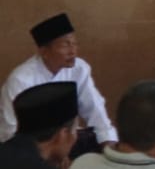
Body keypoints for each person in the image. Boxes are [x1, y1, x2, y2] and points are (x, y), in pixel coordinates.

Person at [0, 13, 117, 155]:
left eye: (74, 44)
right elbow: (10, 130)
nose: (72, 51)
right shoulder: (20, 79)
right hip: (32, 150)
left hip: (67, 142)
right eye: (65, 45)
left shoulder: (79, 69)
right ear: (44, 52)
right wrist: (46, 157)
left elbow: (95, 109)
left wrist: (109, 145)